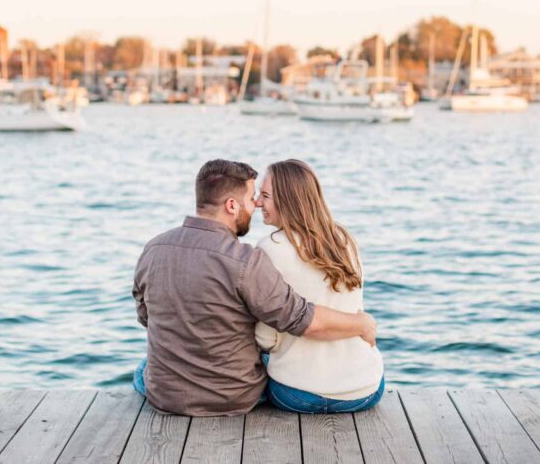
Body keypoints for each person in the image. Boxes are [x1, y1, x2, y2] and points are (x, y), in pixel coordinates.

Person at [132, 159, 377, 417]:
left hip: (166, 395)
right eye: (252, 198)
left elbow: (145, 316)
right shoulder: (246, 260)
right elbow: (300, 318)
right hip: (234, 397)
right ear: (231, 205)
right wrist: (363, 324)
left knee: (145, 367)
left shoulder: (153, 248)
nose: (256, 204)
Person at [254, 159, 384, 414]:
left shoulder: (270, 248)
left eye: (265, 196)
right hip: (365, 390)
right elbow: (355, 314)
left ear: (287, 200)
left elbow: (265, 338)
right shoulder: (344, 239)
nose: (257, 202)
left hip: (297, 394)